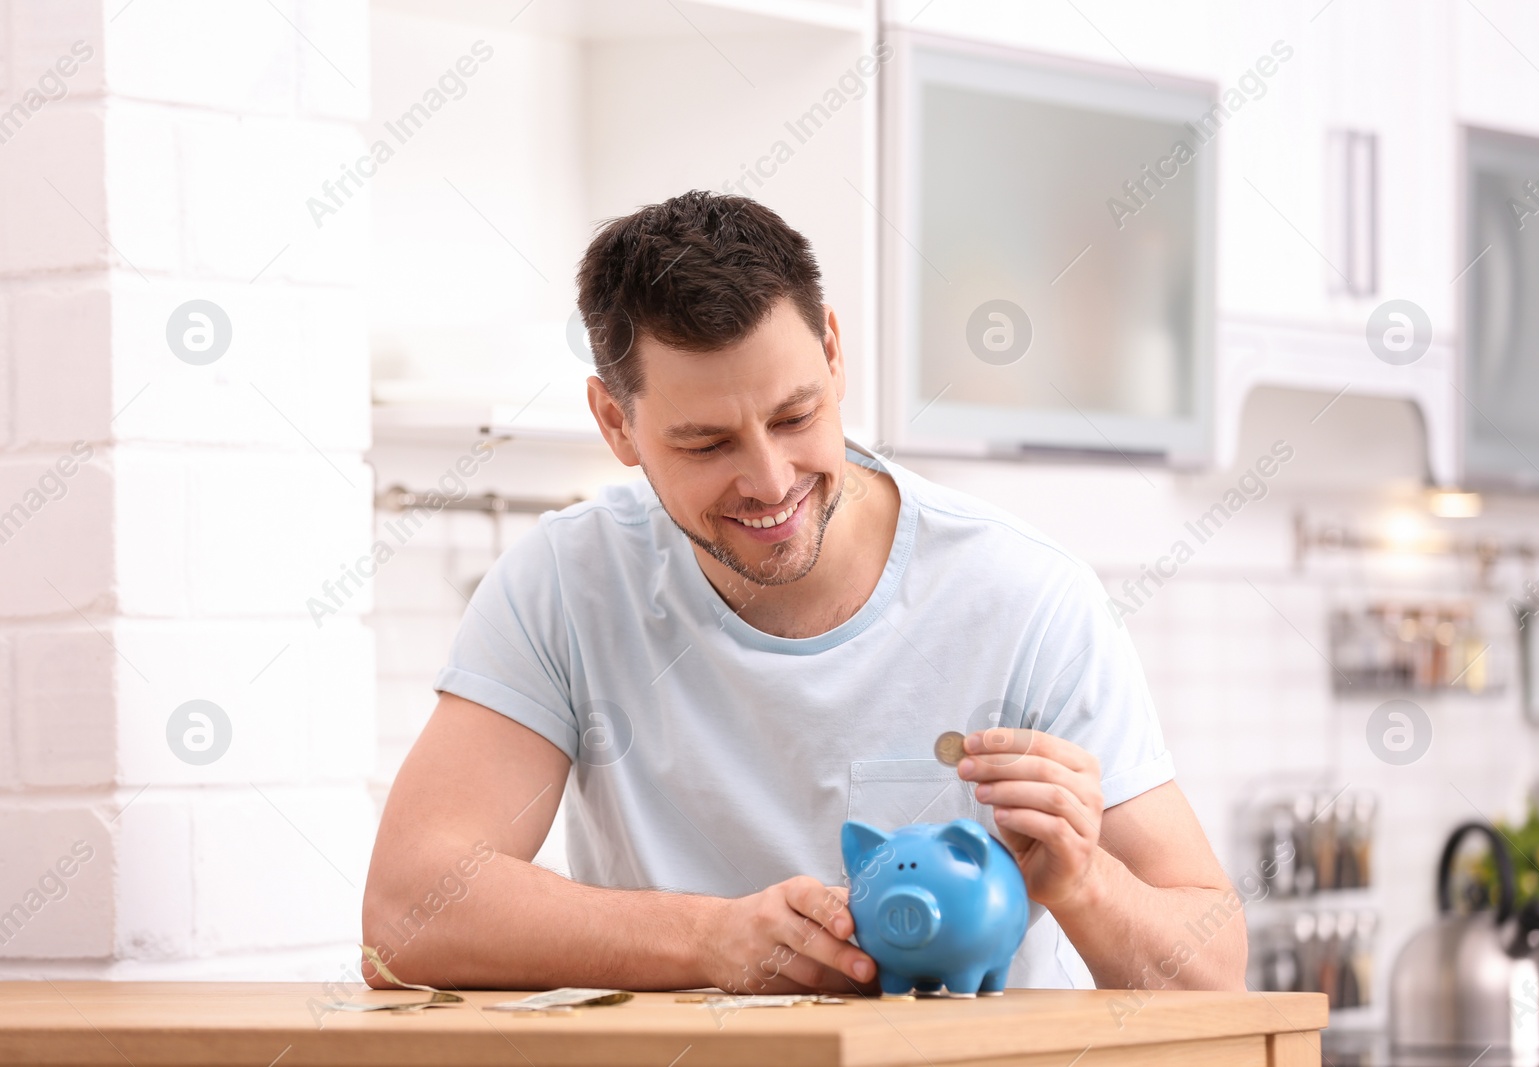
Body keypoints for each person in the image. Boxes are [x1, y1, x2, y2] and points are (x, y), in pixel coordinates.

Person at [362, 190, 1246, 995]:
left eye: (795, 417)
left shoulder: (1025, 596)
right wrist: (712, 938)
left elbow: (1214, 970)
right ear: (615, 424)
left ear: (831, 351)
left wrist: (1082, 880)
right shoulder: (564, 584)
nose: (770, 480)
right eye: (706, 444)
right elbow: (409, 912)